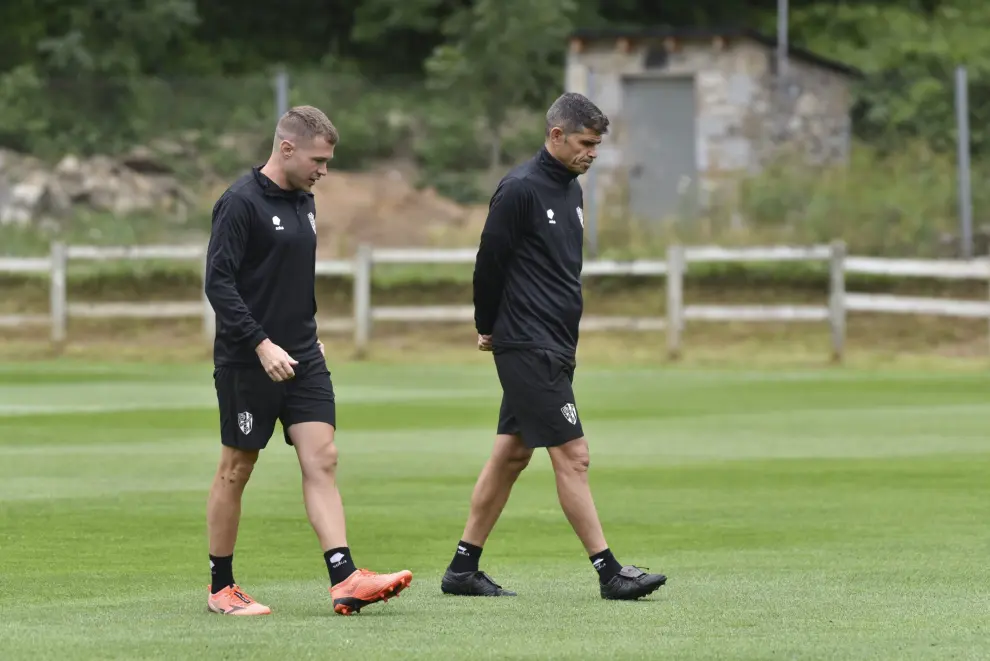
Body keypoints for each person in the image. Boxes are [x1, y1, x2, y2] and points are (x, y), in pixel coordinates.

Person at [440, 93, 667, 601]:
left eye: (598, 146)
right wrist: (487, 324)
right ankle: (610, 573)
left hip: (556, 344)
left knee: (511, 454)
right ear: (557, 135)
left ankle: (462, 569)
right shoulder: (519, 189)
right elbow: (488, 261)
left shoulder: (572, 191)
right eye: (585, 143)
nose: (593, 154)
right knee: (574, 455)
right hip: (526, 343)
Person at [203, 105, 412, 616]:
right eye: (319, 159)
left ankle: (344, 577)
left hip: (303, 357)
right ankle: (221, 588)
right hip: (248, 359)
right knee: (237, 468)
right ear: (287, 148)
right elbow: (219, 284)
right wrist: (260, 342)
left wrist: (306, 335)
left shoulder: (306, 202)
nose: (325, 170)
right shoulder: (239, 203)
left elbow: (293, 279)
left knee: (323, 457)